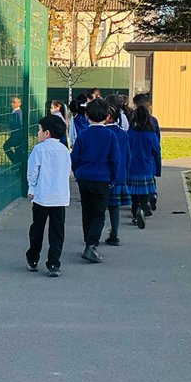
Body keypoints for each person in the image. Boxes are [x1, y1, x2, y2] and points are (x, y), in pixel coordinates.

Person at [69, 98, 121, 264]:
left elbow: (74, 158)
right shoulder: (111, 136)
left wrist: (77, 173)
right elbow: (115, 160)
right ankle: (91, 245)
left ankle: (88, 242)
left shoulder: (83, 135)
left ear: (86, 115)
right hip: (102, 179)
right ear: (107, 116)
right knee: (99, 213)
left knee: (87, 211)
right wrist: (113, 177)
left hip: (84, 178)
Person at [25, 113, 70, 277]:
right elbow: (67, 171)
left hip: (42, 196)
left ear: (47, 133)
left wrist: (32, 188)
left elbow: (33, 172)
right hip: (60, 197)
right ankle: (54, 263)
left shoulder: (39, 149)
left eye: (39, 130)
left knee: (37, 228)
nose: (38, 133)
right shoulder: (64, 150)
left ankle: (33, 258)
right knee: (57, 231)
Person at [127, 105, 162, 228]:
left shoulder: (129, 134)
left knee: (133, 194)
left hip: (132, 168)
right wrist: (158, 169)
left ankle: (134, 212)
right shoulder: (151, 135)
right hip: (146, 168)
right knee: (145, 193)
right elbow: (156, 153)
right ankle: (141, 209)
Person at [103, 98, 131, 246]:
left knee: (100, 208)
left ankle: (94, 235)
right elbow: (128, 155)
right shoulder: (122, 133)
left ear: (107, 117)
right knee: (115, 208)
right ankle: (114, 233)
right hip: (119, 176)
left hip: (104, 176)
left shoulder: (104, 133)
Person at [2, 96, 24, 166]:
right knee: (18, 152)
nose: (12, 104)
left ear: (19, 103)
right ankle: (18, 165)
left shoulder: (18, 113)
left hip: (17, 136)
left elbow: (20, 125)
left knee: (6, 146)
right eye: (11, 102)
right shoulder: (15, 112)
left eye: (14, 102)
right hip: (15, 135)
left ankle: (16, 162)